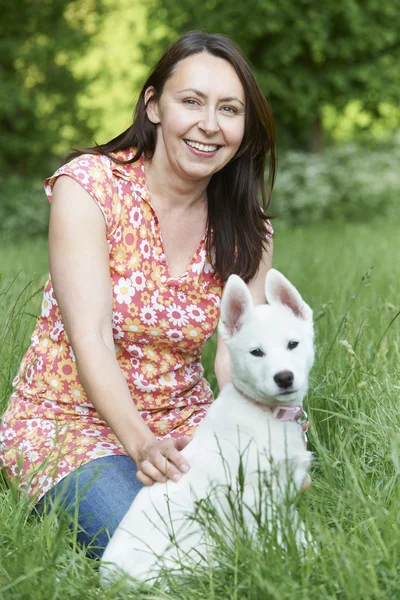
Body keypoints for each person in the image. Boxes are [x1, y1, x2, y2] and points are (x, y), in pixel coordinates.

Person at [0, 30, 275, 558]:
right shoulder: (89, 189)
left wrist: (261, 430)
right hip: (70, 424)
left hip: (189, 420)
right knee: (156, 551)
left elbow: (235, 359)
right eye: (191, 102)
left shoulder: (247, 226)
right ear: (154, 106)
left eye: (230, 109)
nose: (210, 125)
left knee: (259, 536)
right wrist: (141, 445)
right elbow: (92, 340)